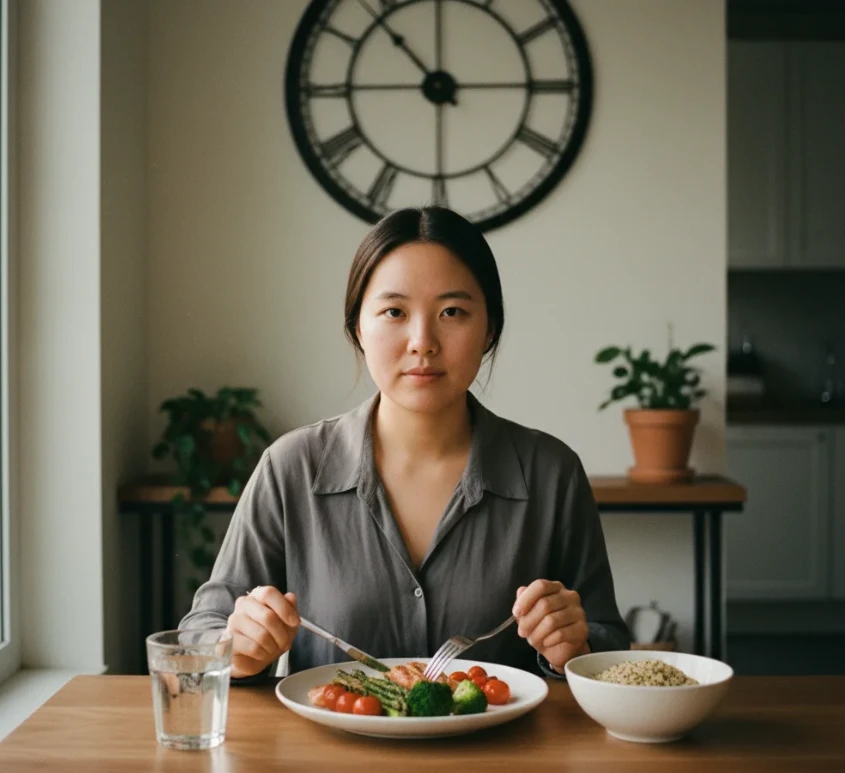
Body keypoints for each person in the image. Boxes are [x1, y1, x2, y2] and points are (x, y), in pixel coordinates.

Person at [180, 206, 629, 682]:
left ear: (489, 329)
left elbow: (607, 642)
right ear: (358, 326)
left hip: (502, 757)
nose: (423, 341)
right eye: (394, 311)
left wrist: (573, 647)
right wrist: (236, 647)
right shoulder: (291, 467)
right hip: (328, 756)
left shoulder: (551, 473)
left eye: (452, 312)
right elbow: (201, 630)